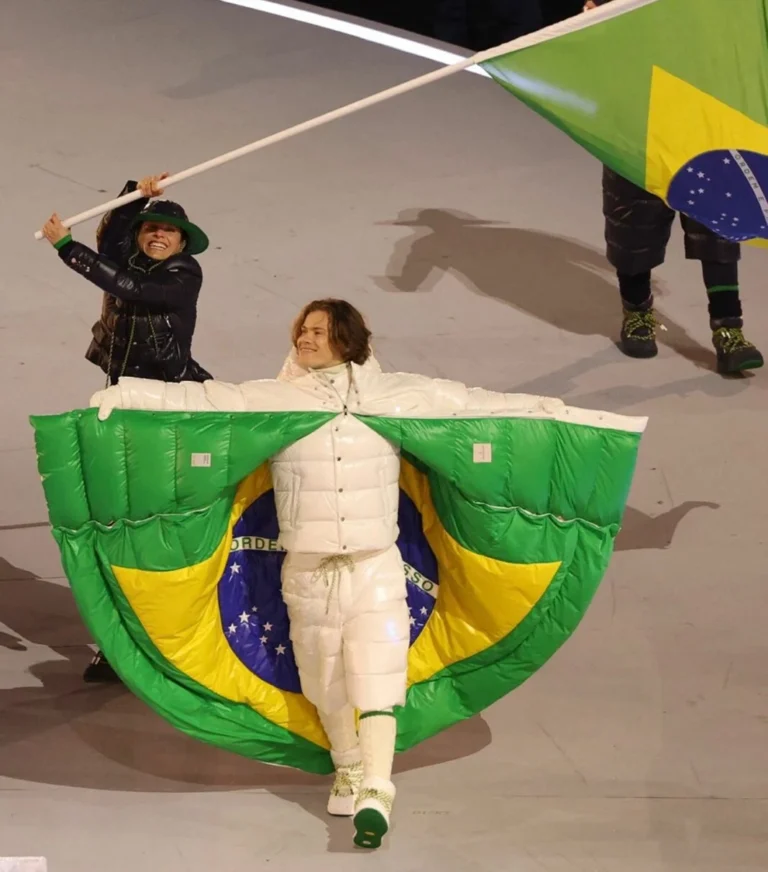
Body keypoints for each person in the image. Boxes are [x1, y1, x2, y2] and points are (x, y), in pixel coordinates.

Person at [90, 298, 575, 849]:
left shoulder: (393, 396)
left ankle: (377, 788)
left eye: (319, 331)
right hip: (308, 570)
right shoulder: (277, 400)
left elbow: (469, 405)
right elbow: (205, 400)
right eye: (302, 329)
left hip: (375, 564)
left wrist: (548, 411)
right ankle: (347, 764)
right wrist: (125, 394)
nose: (305, 338)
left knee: (377, 676)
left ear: (348, 338)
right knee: (326, 681)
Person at [41, 173, 213, 683]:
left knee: (154, 519)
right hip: (122, 400)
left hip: (166, 404)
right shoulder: (130, 254)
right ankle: (118, 641)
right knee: (116, 519)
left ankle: (163, 633)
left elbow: (128, 287)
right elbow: (112, 236)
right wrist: (137, 189)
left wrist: (66, 250)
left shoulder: (183, 274)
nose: (157, 235)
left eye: (168, 231)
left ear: (182, 242)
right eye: (150, 228)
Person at [584, 0, 764, 375]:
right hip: (637, 109)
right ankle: (637, 313)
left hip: (698, 107)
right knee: (632, 223)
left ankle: (728, 329)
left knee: (715, 222)